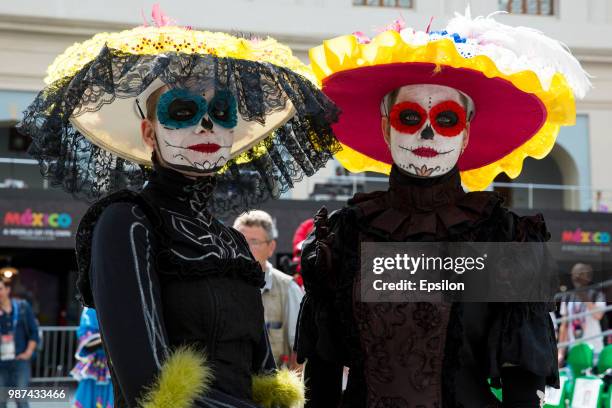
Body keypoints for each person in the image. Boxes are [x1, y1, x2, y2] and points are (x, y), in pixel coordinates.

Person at [18, 6, 340, 408]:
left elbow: (263, 374)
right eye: (183, 111)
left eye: (221, 113)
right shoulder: (129, 222)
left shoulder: (233, 243)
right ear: (149, 133)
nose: (207, 126)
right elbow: (149, 387)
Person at [295, 10, 590, 408]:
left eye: (446, 119)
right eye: (410, 117)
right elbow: (323, 375)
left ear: (467, 131)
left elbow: (522, 377)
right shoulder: (344, 236)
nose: (427, 133)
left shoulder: (503, 237)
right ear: (386, 128)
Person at [233, 211, 304, 368]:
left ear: (271, 247)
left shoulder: (288, 288)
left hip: (271, 387)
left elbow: (299, 353)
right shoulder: (222, 287)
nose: (246, 248)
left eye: (254, 242)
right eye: (240, 241)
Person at [0, 278, 39, 408]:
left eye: (0, 289)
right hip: (1, 364)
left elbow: (34, 332)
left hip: (20, 361)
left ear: (7, 290)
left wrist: (28, 353)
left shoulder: (22, 307)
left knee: (21, 401)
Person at [558, 263, 606, 364]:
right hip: (574, 350)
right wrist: (561, 352)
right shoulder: (567, 297)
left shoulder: (597, 295)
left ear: (588, 277)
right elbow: (564, 326)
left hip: (595, 349)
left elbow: (598, 316)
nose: (576, 276)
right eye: (574, 273)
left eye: (580, 273)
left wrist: (583, 295)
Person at [71, 307, 113, 408]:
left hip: (112, 364)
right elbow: (85, 337)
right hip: (94, 362)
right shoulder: (89, 309)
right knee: (87, 395)